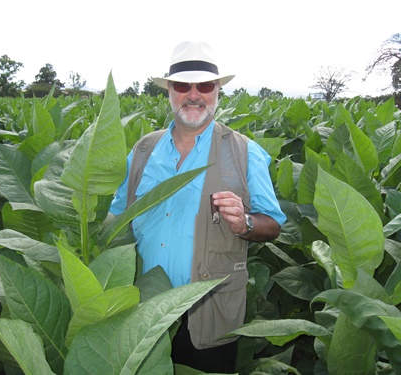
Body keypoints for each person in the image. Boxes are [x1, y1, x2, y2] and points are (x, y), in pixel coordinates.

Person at [109, 41, 286, 373]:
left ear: (218, 91)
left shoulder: (245, 152)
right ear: (169, 92)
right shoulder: (144, 150)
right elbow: (117, 218)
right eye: (182, 85)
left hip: (208, 312)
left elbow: (273, 224)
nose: (193, 95)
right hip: (142, 311)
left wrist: (245, 222)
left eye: (204, 85)